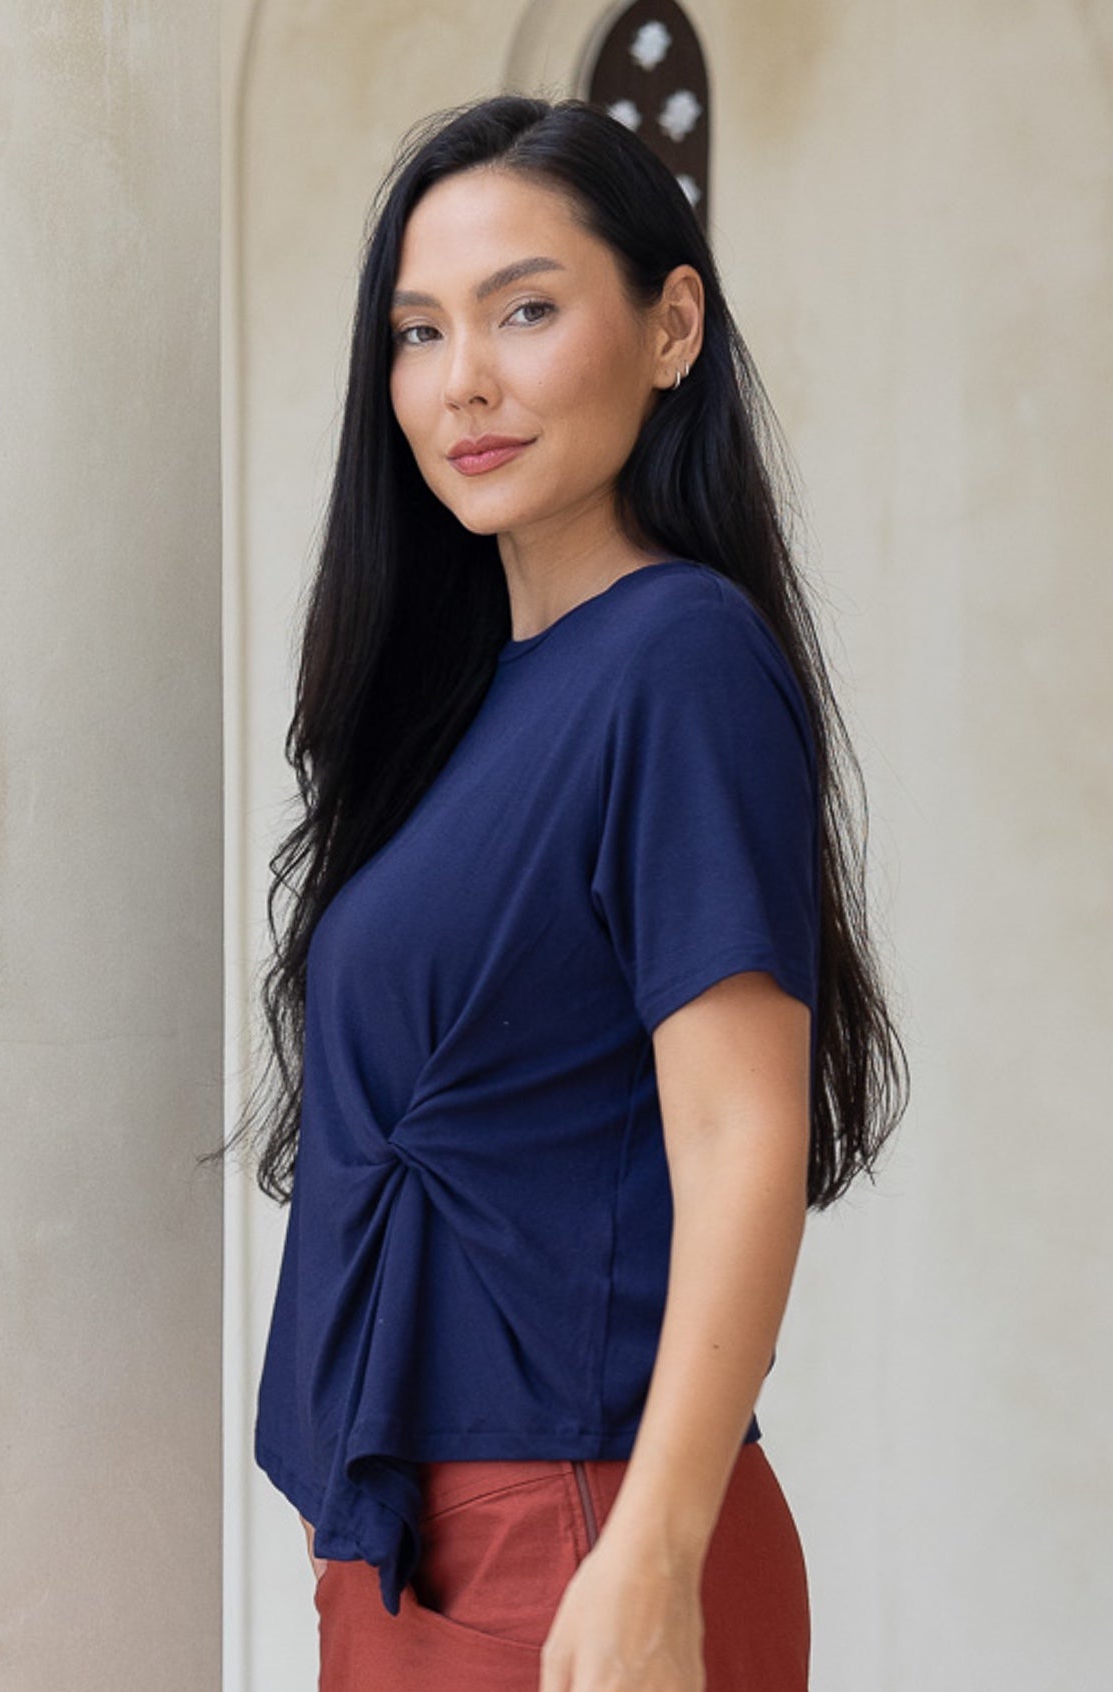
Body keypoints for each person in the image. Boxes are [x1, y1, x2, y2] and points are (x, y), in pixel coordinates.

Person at [210, 93, 908, 1691]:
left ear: (672, 327)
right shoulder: (473, 705)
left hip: (580, 1528)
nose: (464, 379)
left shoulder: (678, 657)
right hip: (414, 1541)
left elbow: (741, 1130)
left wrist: (656, 1549)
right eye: (418, 327)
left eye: (526, 309)